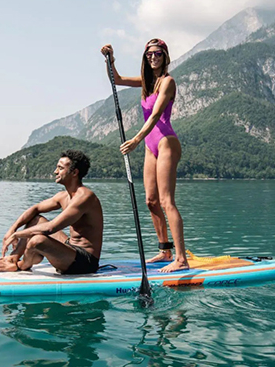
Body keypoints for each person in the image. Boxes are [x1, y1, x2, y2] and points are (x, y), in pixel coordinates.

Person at [100, 38, 188, 273]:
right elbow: (115, 80)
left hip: (166, 141)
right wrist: (111, 59)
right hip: (151, 146)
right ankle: (164, 250)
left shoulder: (168, 82)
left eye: (157, 53)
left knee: (166, 201)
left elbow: (156, 114)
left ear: (165, 56)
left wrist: (136, 139)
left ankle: (181, 258)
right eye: (148, 54)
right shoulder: (146, 83)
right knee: (151, 201)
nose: (152, 57)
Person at [0, 150, 104, 274]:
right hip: (71, 247)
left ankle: (21, 265)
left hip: (85, 261)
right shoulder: (63, 196)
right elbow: (35, 209)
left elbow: (51, 228)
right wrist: (13, 229)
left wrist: (17, 235)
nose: (55, 172)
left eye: (60, 168)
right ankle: (11, 259)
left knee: (37, 240)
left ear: (74, 172)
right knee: (36, 220)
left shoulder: (85, 197)